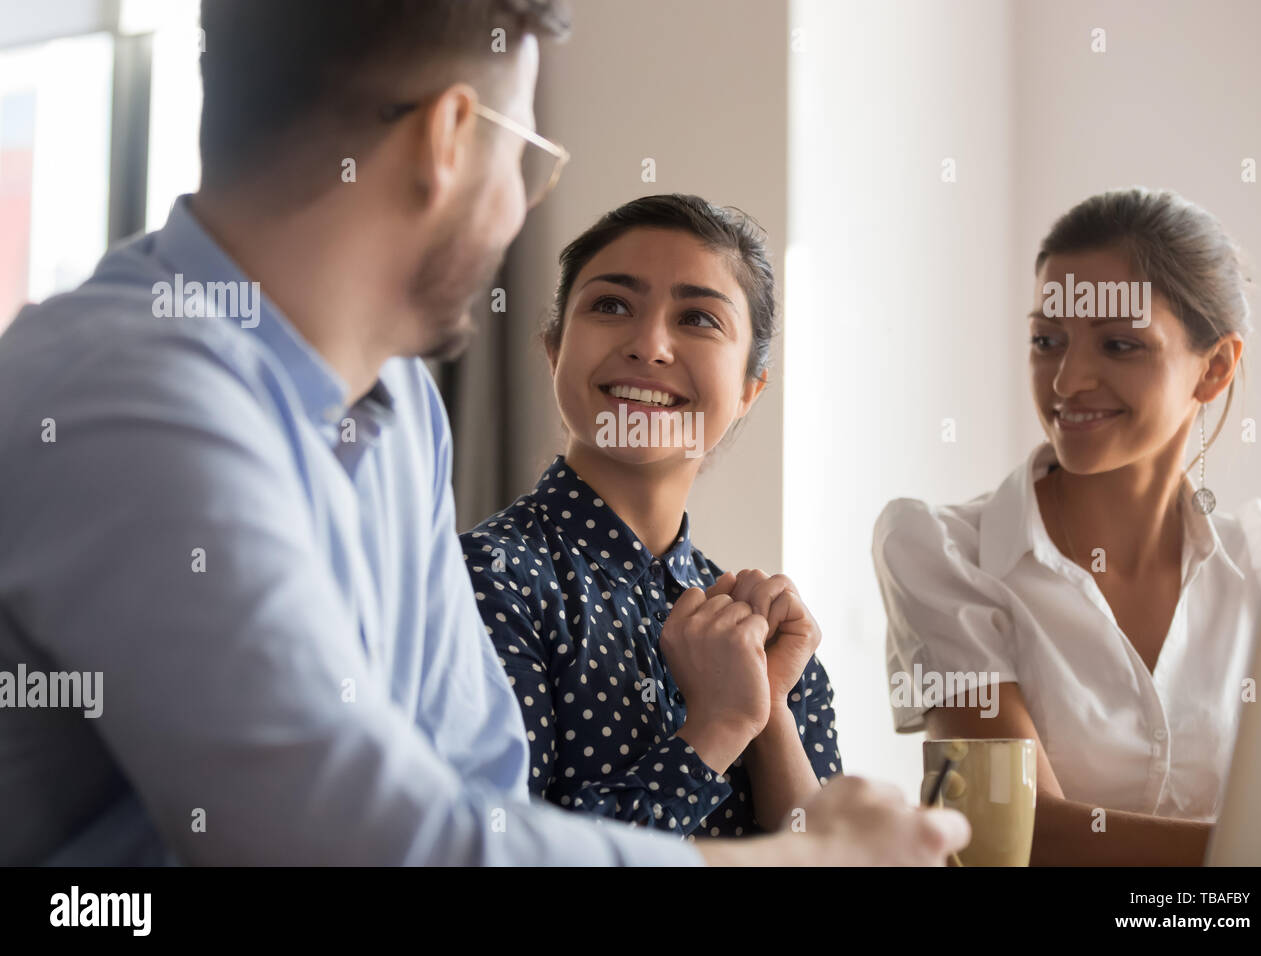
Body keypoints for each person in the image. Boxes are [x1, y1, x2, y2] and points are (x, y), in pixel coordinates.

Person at [0, 0, 968, 866]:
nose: (522, 202)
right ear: (451, 138)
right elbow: (356, 838)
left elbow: (478, 795)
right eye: (528, 159)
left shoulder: (402, 408)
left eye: (701, 318)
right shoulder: (128, 394)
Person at [873, 187, 1261, 865]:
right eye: (1047, 340)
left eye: (1120, 345)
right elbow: (1009, 835)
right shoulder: (941, 551)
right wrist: (1256, 852)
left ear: (1213, 369)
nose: (1067, 380)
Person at [462, 195, 837, 839]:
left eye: (698, 317)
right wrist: (715, 729)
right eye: (611, 306)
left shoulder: (774, 636)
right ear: (554, 349)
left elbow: (834, 857)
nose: (650, 345)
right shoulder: (485, 581)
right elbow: (496, 853)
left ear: (750, 390)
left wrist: (770, 709)